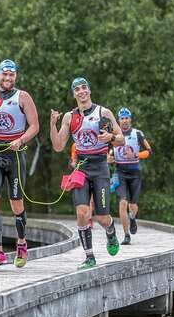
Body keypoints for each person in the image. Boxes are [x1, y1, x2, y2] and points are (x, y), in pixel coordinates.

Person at [50, 77, 125, 270]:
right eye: (77, 89)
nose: (81, 91)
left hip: (100, 167)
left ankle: (110, 231)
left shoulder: (103, 112)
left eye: (84, 88)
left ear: (89, 91)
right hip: (81, 167)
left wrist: (111, 137)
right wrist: (52, 124)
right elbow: (58, 146)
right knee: (82, 213)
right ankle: (89, 257)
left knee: (102, 217)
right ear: (74, 93)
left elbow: (122, 140)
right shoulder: (69, 117)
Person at [0, 59, 39, 267]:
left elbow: (34, 126)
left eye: (11, 75)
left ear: (15, 77)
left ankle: (21, 244)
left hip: (15, 156)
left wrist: (21, 140)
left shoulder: (23, 97)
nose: (7, 78)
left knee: (16, 204)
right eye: (4, 75)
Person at [108, 107, 152, 245]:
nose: (125, 120)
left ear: (130, 119)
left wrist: (135, 155)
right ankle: (126, 235)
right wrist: (108, 158)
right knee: (122, 203)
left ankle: (132, 217)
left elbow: (149, 151)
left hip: (134, 173)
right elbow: (107, 151)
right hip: (120, 172)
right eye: (122, 118)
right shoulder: (113, 135)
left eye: (127, 118)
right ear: (118, 120)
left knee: (133, 205)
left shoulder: (137, 133)